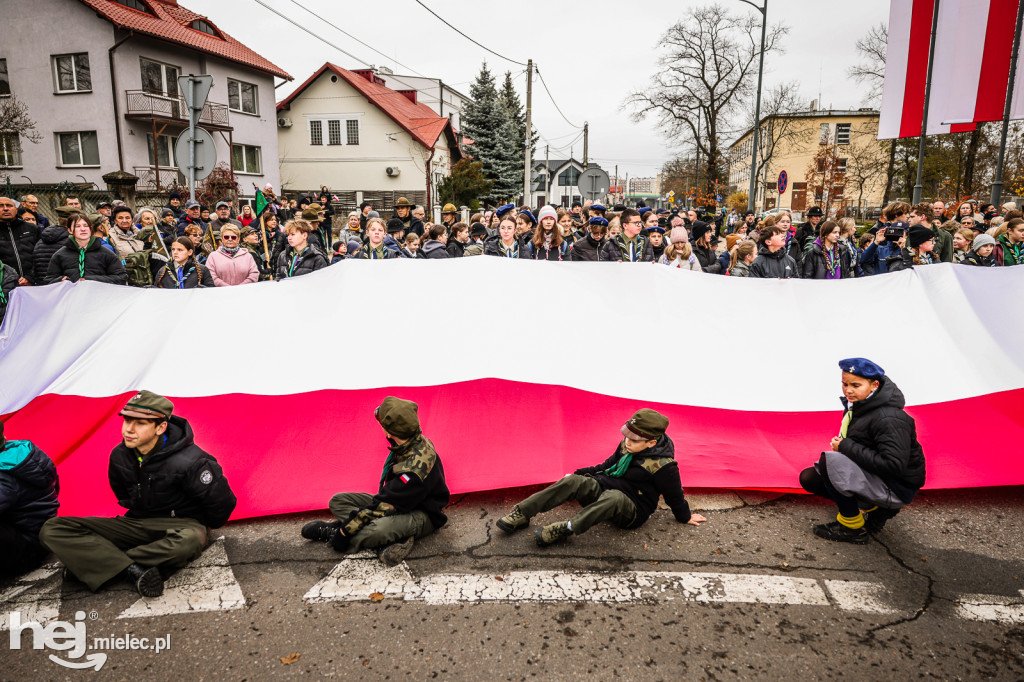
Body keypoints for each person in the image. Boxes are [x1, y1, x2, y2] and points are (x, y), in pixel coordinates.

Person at [39, 391, 236, 596]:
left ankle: (104, 563)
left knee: (189, 542)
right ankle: (130, 569)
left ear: (160, 427)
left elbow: (222, 506)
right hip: (136, 522)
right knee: (52, 528)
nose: (129, 429)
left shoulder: (193, 461)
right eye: (127, 421)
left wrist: (199, 526)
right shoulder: (119, 455)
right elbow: (123, 495)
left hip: (181, 523)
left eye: (140, 423)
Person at [496, 409, 705, 547]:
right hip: (608, 488)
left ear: (651, 443)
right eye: (627, 435)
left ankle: (567, 528)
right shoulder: (627, 445)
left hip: (632, 509)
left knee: (613, 497)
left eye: (634, 439)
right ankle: (522, 513)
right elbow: (606, 467)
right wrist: (577, 477)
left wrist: (684, 515)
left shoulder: (664, 466)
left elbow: (674, 494)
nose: (627, 442)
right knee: (573, 481)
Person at [300, 397, 450, 566]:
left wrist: (343, 533)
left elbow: (383, 505)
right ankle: (389, 536)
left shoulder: (413, 471)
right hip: (399, 499)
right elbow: (389, 498)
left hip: (423, 514)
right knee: (338, 501)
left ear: (388, 432)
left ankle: (340, 533)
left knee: (375, 531)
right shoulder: (413, 439)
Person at [798, 359, 926, 543]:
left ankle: (852, 528)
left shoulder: (889, 418)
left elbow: (893, 465)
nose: (848, 390)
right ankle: (874, 507)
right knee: (810, 478)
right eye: (845, 384)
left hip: (895, 486)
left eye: (855, 385)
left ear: (874, 385)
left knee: (831, 462)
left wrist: (845, 446)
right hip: (877, 475)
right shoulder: (861, 405)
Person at [0, 421, 60, 575]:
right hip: (39, 536)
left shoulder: (5, 476)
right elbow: (56, 485)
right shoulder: (21, 453)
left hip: (27, 550)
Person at [46, 213, 127, 285]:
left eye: (86, 226)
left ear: (91, 229)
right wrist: (60, 280)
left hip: (99, 297)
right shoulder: (60, 255)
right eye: (77, 226)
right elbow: (48, 280)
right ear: (70, 230)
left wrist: (92, 280)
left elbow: (121, 277)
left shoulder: (106, 253)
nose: (83, 229)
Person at [0, 196, 41, 286]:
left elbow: (41, 255)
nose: (5, 208)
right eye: (1, 206)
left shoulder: (32, 228)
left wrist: (30, 277)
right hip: (5, 286)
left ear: (16, 209)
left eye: (9, 205)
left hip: (33, 283)